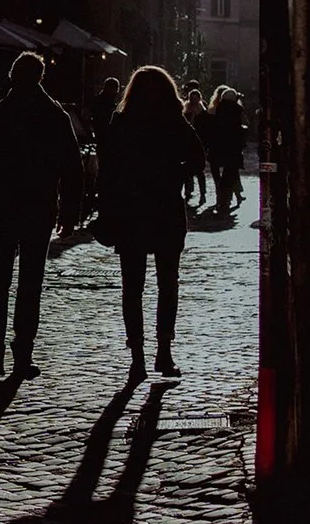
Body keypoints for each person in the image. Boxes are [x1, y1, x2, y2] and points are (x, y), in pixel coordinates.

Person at [96, 66, 207, 381]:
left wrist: (109, 203)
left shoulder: (122, 122)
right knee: (166, 284)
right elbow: (199, 159)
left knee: (134, 287)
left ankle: (138, 358)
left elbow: (107, 169)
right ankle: (163, 352)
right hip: (165, 210)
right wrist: (174, 174)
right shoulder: (173, 121)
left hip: (132, 211)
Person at [0, 51, 80, 377]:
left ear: (13, 77)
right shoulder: (55, 115)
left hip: (2, 206)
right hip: (39, 206)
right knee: (30, 282)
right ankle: (22, 355)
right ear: (40, 78)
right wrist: (71, 211)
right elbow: (72, 168)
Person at [202, 86, 247, 214]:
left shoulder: (217, 110)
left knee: (220, 176)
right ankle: (226, 201)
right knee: (229, 175)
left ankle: (222, 201)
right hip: (232, 149)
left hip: (218, 147)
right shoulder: (237, 110)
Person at [180, 83, 211, 206]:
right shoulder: (185, 110)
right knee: (187, 169)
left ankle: (203, 193)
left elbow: (206, 130)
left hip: (200, 143)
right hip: (187, 144)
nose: (193, 100)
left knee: (199, 170)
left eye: (195, 98)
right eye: (191, 98)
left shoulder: (203, 112)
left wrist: (205, 145)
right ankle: (188, 190)